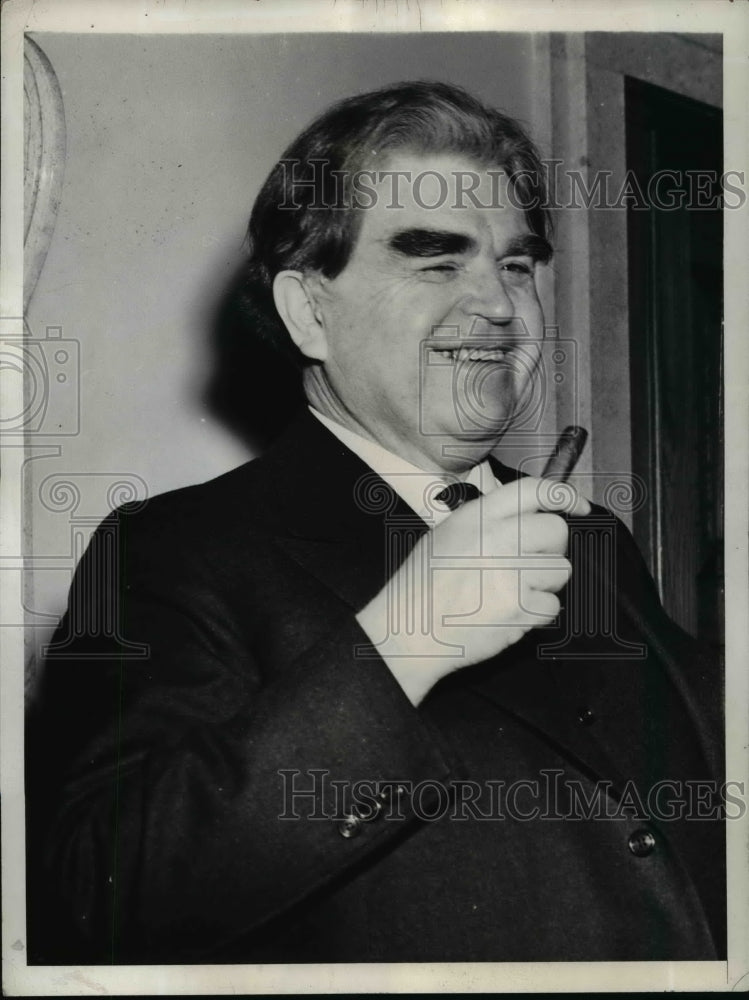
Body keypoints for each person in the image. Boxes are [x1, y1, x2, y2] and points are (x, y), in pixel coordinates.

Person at [26, 81, 725, 965]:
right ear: (308, 311)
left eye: (515, 265)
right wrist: (404, 640)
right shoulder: (171, 552)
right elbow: (97, 898)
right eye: (437, 262)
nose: (501, 307)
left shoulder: (593, 540)